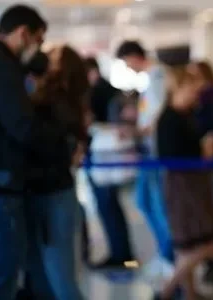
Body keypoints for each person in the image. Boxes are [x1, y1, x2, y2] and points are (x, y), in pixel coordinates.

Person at [0, 5, 69, 300]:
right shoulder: (4, 70)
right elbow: (23, 127)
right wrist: (62, 143)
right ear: (23, 34)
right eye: (38, 40)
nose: (38, 49)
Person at [23, 45, 90, 300]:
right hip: (53, 190)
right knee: (50, 274)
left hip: (53, 192)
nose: (46, 58)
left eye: (54, 57)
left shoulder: (57, 101)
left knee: (59, 274)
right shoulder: (64, 101)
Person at [154, 68, 213, 300]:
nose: (195, 95)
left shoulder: (186, 115)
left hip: (192, 182)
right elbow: (173, 156)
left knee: (190, 245)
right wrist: (203, 150)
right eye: (191, 90)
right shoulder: (169, 119)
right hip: (183, 186)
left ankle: (189, 294)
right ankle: (168, 290)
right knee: (204, 243)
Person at [115, 40, 176, 276]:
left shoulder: (158, 76)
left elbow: (156, 116)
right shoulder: (152, 78)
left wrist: (135, 131)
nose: (128, 68)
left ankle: (169, 256)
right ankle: (165, 252)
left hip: (157, 152)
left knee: (158, 206)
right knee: (145, 202)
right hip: (149, 151)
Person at [82, 57, 137, 269]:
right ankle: (123, 254)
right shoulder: (110, 91)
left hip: (103, 158)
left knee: (108, 207)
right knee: (111, 207)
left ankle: (121, 255)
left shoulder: (99, 92)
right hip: (106, 158)